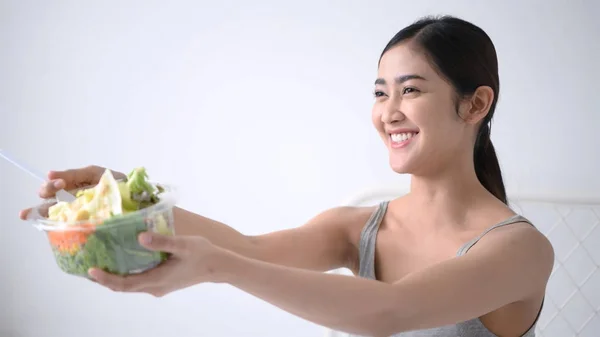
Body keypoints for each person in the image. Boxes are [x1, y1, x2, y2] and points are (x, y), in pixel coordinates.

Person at [19, 15, 554, 337]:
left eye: (410, 90)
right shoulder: (358, 228)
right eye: (379, 92)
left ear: (475, 104)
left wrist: (218, 268)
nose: (388, 111)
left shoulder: (520, 250)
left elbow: (391, 311)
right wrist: (130, 200)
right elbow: (249, 247)